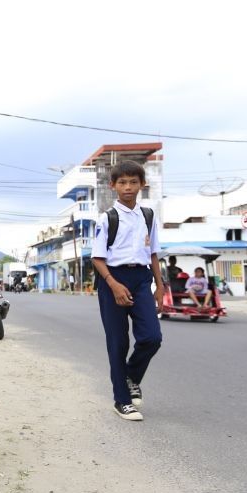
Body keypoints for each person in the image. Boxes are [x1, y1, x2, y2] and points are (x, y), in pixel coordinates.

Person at [91, 161, 163, 422]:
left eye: (133, 182)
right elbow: (97, 258)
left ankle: (130, 376)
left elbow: (153, 253)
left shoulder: (148, 216)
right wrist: (113, 283)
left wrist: (160, 286)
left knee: (151, 337)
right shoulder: (108, 218)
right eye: (122, 182)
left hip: (141, 279)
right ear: (113, 186)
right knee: (118, 342)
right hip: (113, 279)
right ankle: (122, 400)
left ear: (142, 184)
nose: (128, 187)